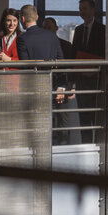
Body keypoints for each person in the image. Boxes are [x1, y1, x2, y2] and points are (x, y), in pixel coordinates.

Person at [43, 17, 82, 145]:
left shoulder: (66, 46)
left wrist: (65, 87)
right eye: (45, 28)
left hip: (64, 87)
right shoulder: (42, 47)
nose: (47, 30)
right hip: (46, 88)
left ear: (56, 28)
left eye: (50, 27)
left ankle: (63, 147)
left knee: (64, 123)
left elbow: (70, 68)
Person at [72, 0, 105, 143]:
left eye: (84, 8)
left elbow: (106, 54)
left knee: (97, 117)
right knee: (83, 117)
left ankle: (99, 147)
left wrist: (95, 69)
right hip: (81, 79)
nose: (81, 12)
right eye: (80, 9)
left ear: (93, 10)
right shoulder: (78, 30)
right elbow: (74, 55)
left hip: (97, 80)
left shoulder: (102, 30)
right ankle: (86, 146)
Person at [17, 4, 65, 103]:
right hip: (52, 85)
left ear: (22, 19)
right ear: (37, 17)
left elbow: (24, 66)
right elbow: (61, 60)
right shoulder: (52, 36)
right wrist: (61, 87)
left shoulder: (22, 39)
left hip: (32, 88)